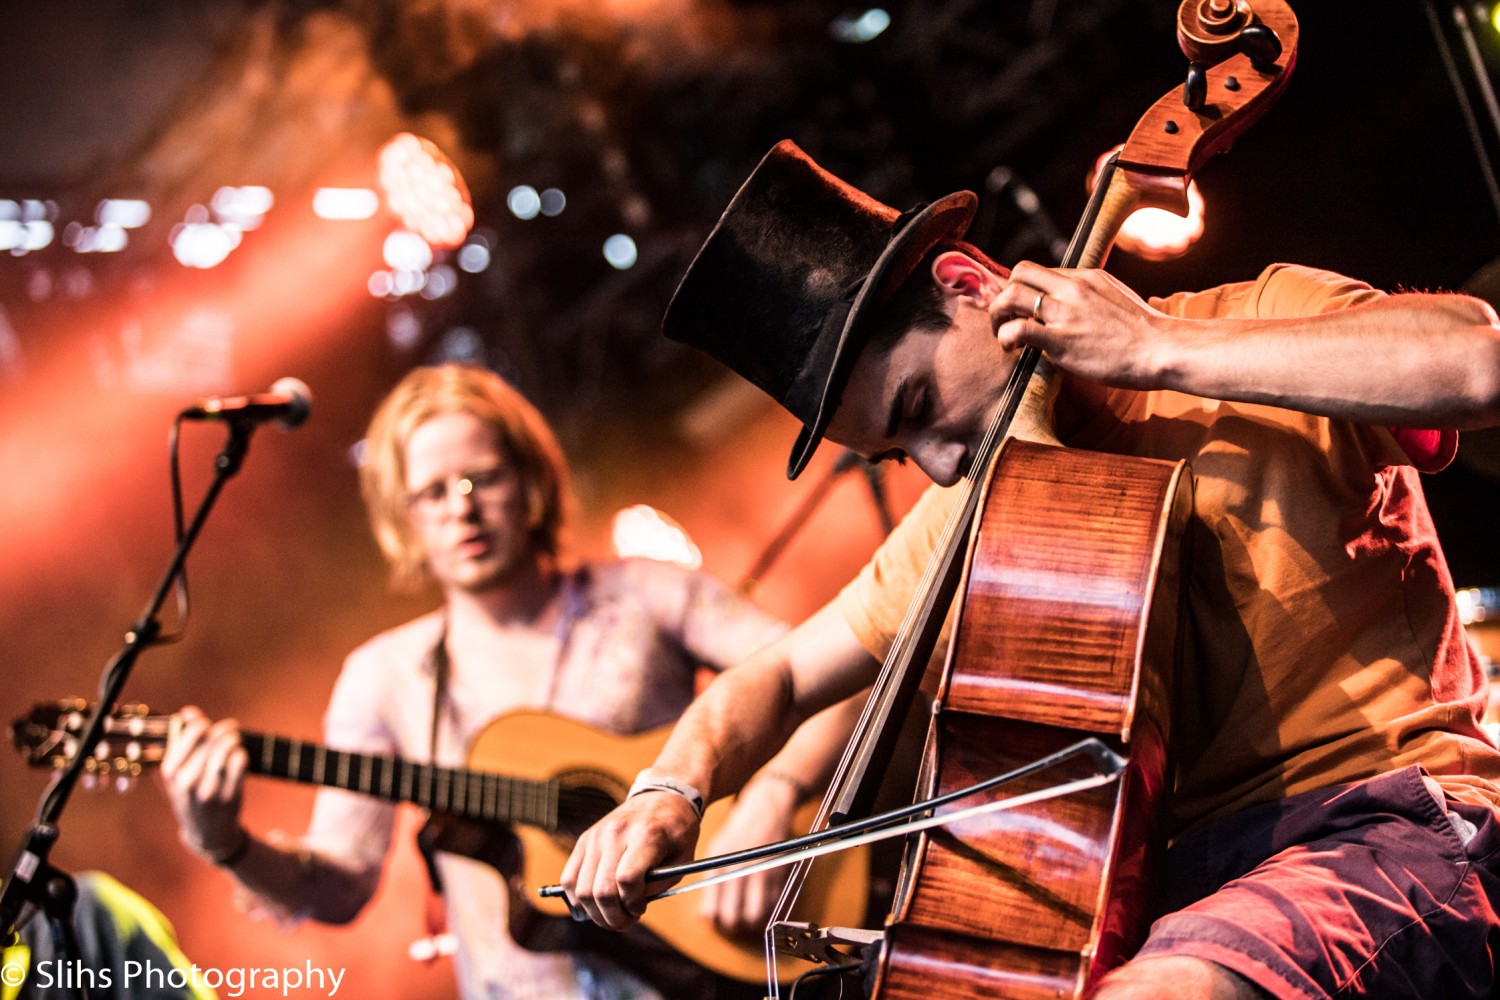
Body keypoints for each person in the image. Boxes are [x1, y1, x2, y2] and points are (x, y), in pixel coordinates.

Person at [559, 140, 1500, 999]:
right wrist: (668, 791)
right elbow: (780, 675)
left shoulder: (1258, 319)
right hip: (1181, 897)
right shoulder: (977, 510)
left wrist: (1162, 352)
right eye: (897, 452)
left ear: (969, 285)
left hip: (1389, 823)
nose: (937, 463)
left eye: (921, 404)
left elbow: (1479, 364)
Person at [160, 363, 814, 1000]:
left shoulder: (647, 594)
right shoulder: (383, 676)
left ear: (530, 481)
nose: (461, 511)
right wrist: (226, 844)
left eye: (483, 479)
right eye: (433, 493)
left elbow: (827, 673)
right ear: (404, 514)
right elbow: (339, 888)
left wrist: (770, 800)